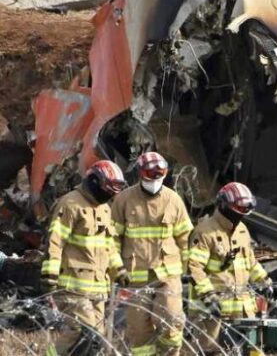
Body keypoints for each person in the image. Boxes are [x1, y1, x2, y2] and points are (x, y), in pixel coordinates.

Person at [41, 161, 128, 356]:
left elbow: (108, 245)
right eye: (108, 189)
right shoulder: (71, 204)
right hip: (73, 286)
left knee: (96, 340)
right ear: (95, 182)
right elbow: (55, 241)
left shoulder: (104, 209)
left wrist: (119, 270)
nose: (110, 195)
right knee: (81, 331)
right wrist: (50, 274)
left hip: (98, 287)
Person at [112, 152, 193, 356]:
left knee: (172, 320)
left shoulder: (173, 200)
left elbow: (186, 239)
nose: (155, 180)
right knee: (139, 334)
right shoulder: (124, 200)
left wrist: (190, 270)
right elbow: (112, 240)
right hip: (135, 279)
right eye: (150, 175)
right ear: (140, 174)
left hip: (168, 276)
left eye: (160, 175)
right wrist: (117, 269)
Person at [187, 182, 270, 354]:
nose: (241, 215)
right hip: (213, 310)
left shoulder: (242, 230)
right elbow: (194, 268)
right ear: (225, 206)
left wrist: (264, 280)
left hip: (242, 307)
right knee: (211, 352)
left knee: (250, 350)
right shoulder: (204, 232)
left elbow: (250, 262)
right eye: (238, 209)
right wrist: (208, 296)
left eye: (245, 210)